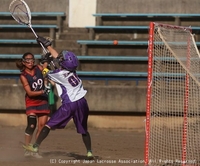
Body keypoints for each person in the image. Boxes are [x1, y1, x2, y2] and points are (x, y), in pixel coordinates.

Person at [23, 36, 94, 159]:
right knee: (84, 130)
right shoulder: (73, 71)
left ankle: (35, 146)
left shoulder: (58, 74)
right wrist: (48, 46)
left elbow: (45, 72)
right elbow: (57, 59)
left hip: (70, 104)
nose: (60, 58)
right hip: (82, 102)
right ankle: (89, 152)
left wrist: (45, 61)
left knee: (48, 125)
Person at [16, 52, 51, 158]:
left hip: (43, 101)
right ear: (23, 62)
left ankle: (35, 149)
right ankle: (27, 148)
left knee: (41, 127)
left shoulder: (38, 68)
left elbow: (46, 70)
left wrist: (47, 60)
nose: (30, 62)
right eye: (28, 60)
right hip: (32, 102)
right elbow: (30, 93)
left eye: (32, 59)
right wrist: (43, 91)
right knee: (31, 125)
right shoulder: (23, 76)